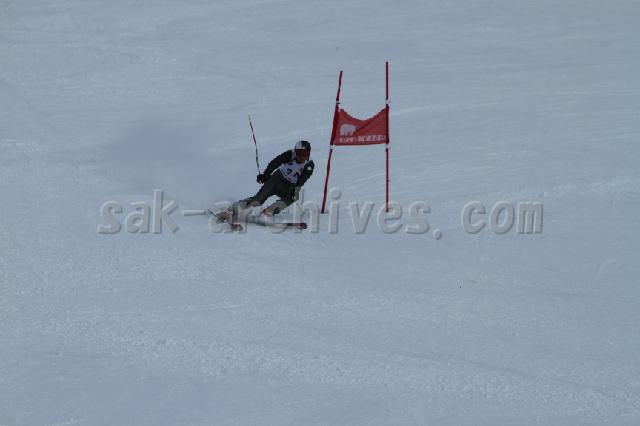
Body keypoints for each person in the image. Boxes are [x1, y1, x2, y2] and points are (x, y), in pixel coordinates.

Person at [235, 140, 314, 217]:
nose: (302, 157)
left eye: (305, 154)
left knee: (294, 197)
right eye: (300, 154)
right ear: (296, 152)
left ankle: (269, 211)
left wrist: (295, 189)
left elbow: (302, 179)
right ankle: (239, 206)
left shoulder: (309, 165)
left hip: (289, 186)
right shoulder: (290, 154)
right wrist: (266, 174)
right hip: (277, 179)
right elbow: (275, 162)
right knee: (258, 200)